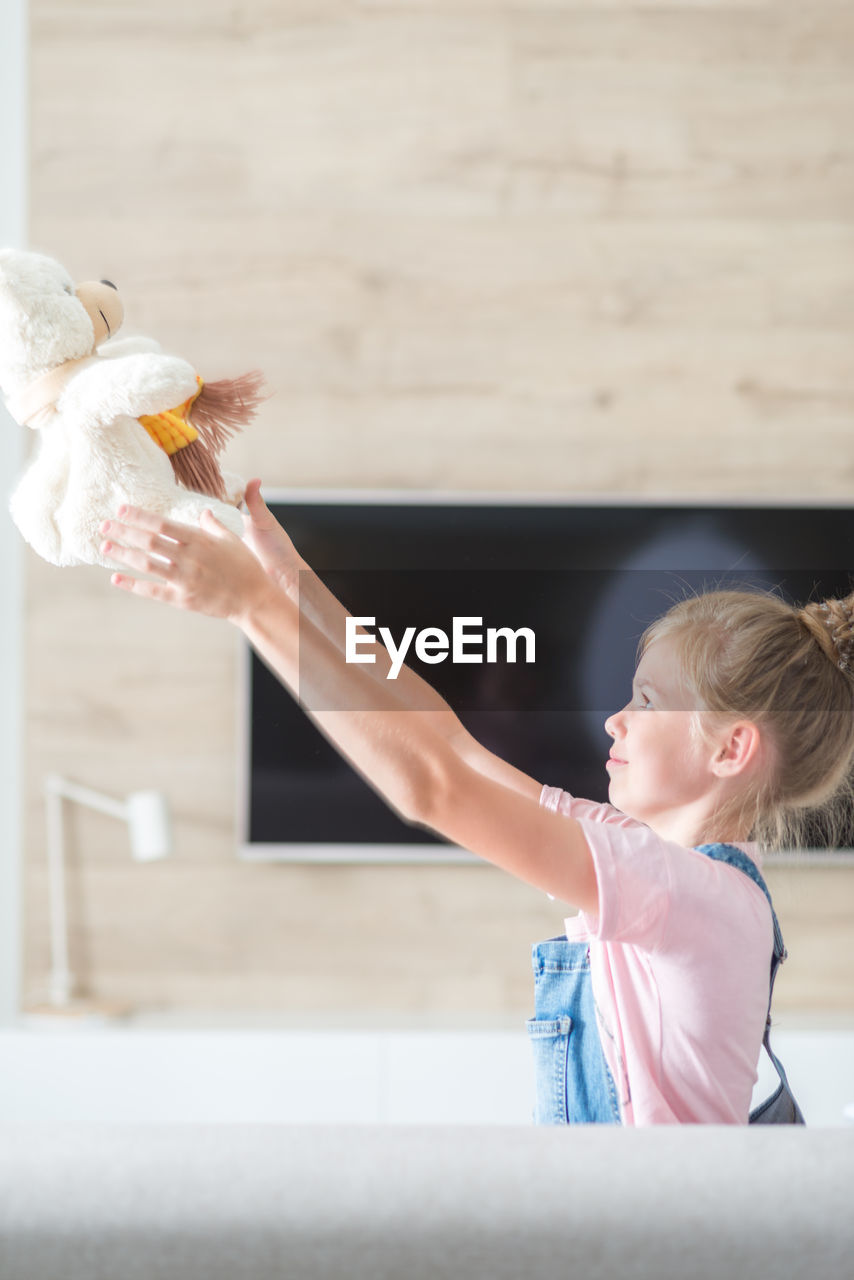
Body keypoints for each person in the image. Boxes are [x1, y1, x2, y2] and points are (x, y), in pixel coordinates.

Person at [99, 483, 854, 1125]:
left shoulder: (691, 894)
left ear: (731, 750)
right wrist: (290, 584)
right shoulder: (661, 866)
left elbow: (430, 786)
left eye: (647, 701)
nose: (614, 719)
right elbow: (451, 747)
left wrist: (250, 608)